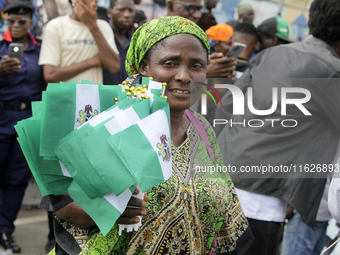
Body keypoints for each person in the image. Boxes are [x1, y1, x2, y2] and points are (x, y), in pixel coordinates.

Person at [43, 16, 253, 255]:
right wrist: (107, 209)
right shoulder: (109, 121)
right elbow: (61, 204)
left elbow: (226, 213)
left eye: (196, 66)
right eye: (171, 63)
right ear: (144, 67)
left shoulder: (202, 128)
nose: (185, 76)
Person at [214, 0, 340, 254]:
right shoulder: (332, 72)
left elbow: (225, 108)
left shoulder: (270, 54)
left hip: (222, 186)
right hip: (261, 201)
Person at [0, 2, 46, 253]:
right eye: (11, 21)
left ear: (31, 22)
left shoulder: (41, 49)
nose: (16, 26)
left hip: (27, 121)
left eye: (22, 21)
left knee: (16, 181)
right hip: (1, 115)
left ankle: (5, 231)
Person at [39, 0, 120, 84]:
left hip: (92, 96)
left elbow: (114, 67)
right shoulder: (55, 27)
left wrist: (92, 26)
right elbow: (50, 75)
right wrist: (93, 61)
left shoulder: (103, 27)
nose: (96, 1)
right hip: (65, 96)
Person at [103, 0, 135, 85]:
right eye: (122, 10)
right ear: (110, 12)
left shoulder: (135, 42)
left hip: (128, 96)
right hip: (104, 95)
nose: (127, 15)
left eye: (131, 11)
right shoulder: (101, 39)